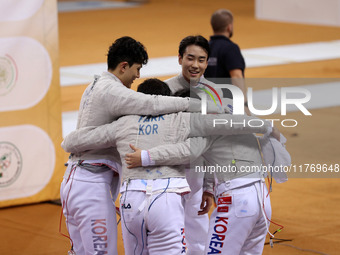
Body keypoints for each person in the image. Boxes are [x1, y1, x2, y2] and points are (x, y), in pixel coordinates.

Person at [61, 78, 271, 255]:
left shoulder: (123, 123)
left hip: (130, 200)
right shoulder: (182, 120)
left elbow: (71, 142)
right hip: (167, 198)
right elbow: (221, 129)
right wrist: (264, 126)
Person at [59, 36, 204, 255]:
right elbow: (151, 103)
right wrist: (193, 105)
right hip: (92, 186)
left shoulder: (95, 86)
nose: (137, 76)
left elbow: (70, 141)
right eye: (136, 69)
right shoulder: (113, 91)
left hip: (77, 181)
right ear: (123, 66)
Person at [204, 9, 249, 113]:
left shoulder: (204, 48)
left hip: (208, 105)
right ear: (229, 27)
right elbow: (236, 76)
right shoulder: (230, 48)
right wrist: (244, 105)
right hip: (228, 105)